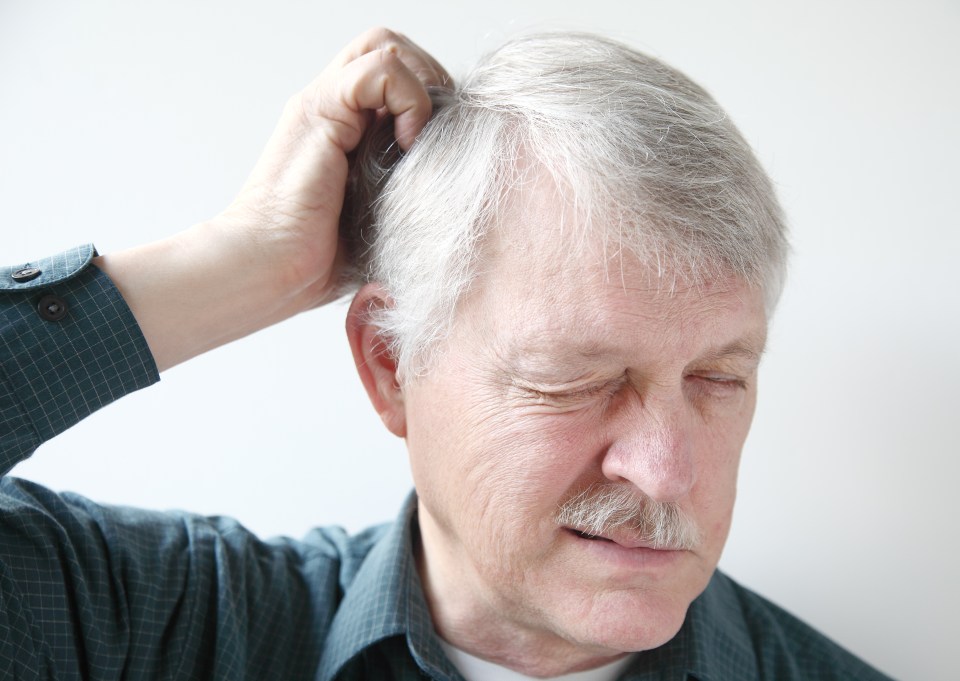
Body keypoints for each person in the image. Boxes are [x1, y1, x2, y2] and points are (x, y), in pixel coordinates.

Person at [0, 27, 894, 680]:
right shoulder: (151, 629)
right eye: (573, 378)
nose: (666, 470)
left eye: (719, 378)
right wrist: (249, 258)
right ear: (392, 367)